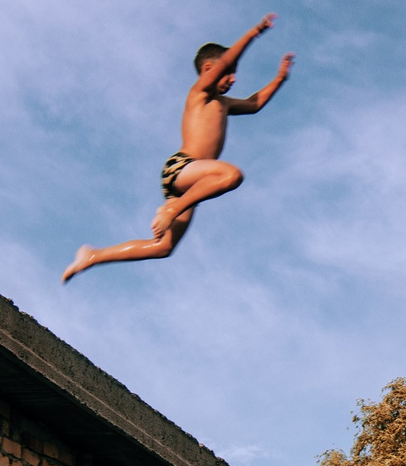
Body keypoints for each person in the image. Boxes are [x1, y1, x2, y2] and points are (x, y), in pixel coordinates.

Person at [62, 15, 293, 281]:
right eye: (228, 73)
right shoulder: (201, 92)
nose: (232, 79)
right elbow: (228, 60)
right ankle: (171, 210)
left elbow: (254, 104)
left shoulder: (224, 103)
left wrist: (280, 79)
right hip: (182, 167)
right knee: (231, 175)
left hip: (191, 182)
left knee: (163, 247)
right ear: (209, 69)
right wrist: (254, 32)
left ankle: (92, 256)